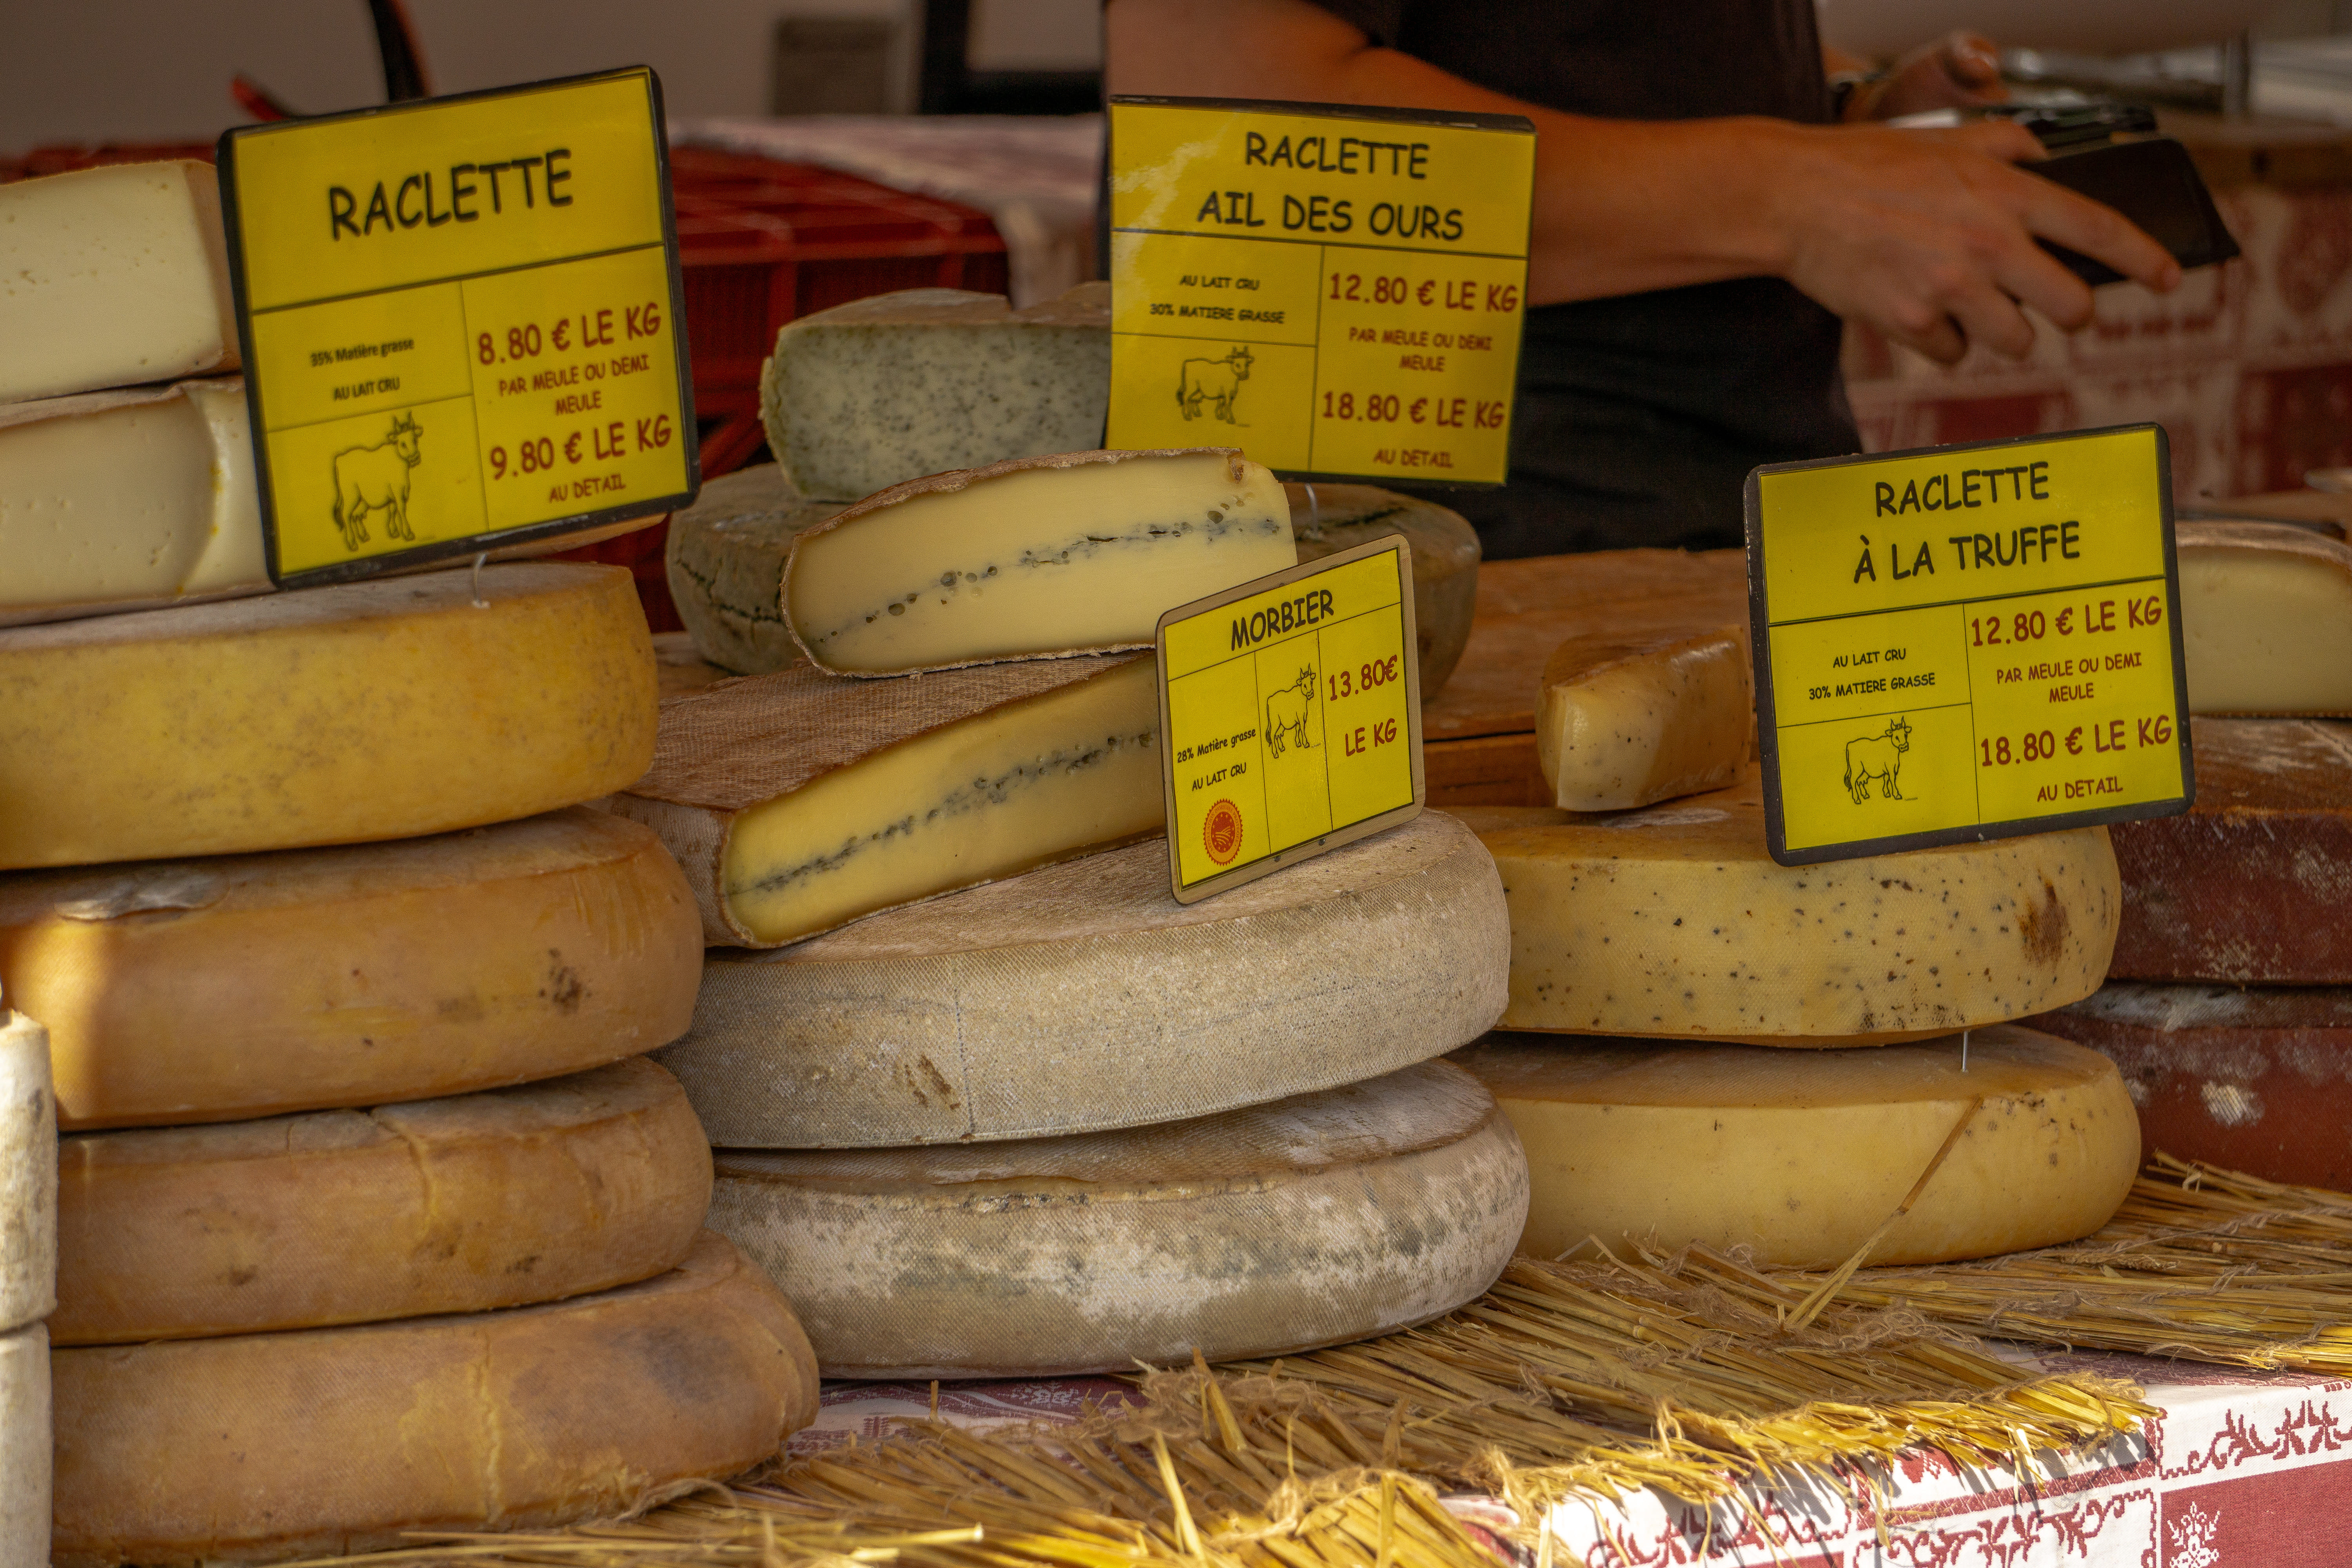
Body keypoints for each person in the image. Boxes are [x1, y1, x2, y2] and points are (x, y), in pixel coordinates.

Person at [1104, 1, 2183, 556]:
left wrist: (1847, 128)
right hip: (1443, 589)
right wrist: (1795, 193)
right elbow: (1226, 135)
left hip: (1708, 546)